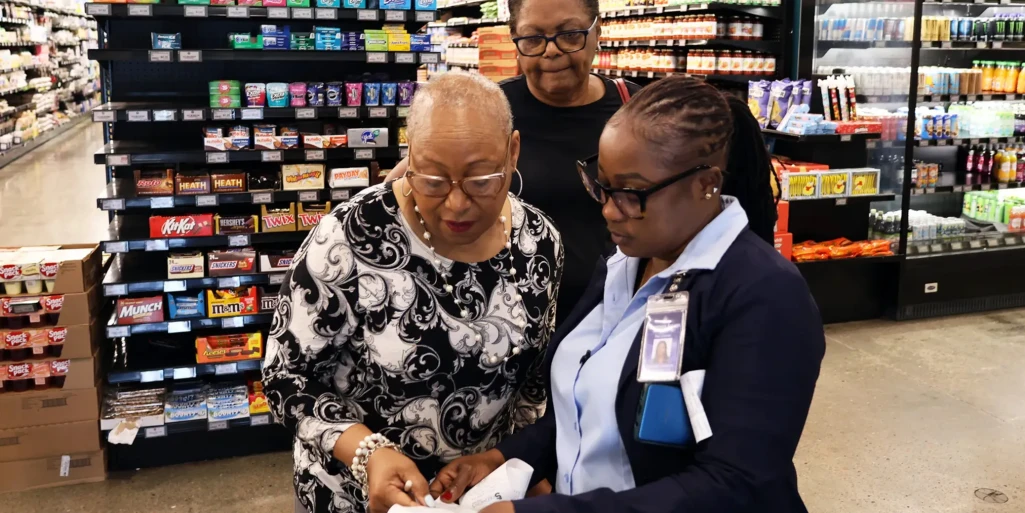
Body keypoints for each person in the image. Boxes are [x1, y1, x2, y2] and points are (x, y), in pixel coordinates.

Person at [428, 76, 825, 513]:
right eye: (602, 186)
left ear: (705, 184)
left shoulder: (764, 296)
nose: (609, 210)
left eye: (632, 194)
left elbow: (735, 481)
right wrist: (502, 458)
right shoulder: (625, 262)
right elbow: (584, 411)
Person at [262, 72, 564, 513]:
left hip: (480, 499)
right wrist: (368, 454)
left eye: (481, 179)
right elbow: (285, 376)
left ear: (512, 151)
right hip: (353, 497)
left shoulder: (539, 242)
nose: (457, 203)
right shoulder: (348, 240)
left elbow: (532, 383)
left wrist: (523, 462)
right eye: (434, 180)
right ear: (410, 155)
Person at [388, 0, 640, 325]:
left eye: (570, 34)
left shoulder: (635, 111)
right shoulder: (487, 112)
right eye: (533, 38)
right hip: (505, 327)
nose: (551, 51)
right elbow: (402, 186)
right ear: (514, 39)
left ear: (597, 31)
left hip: (615, 320)